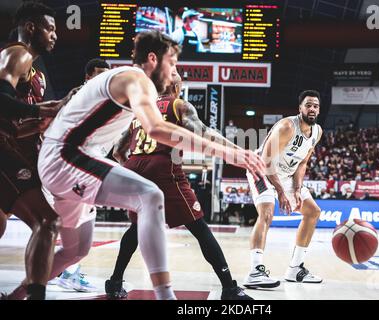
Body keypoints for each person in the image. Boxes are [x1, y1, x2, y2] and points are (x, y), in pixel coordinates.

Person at [9, 30, 264, 301]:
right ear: (153, 59)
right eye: (173, 64)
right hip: (68, 157)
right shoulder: (138, 79)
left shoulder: (134, 92)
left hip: (80, 161)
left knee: (75, 251)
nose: (175, 71)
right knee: (150, 195)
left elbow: (118, 146)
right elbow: (157, 129)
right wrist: (230, 153)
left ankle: (16, 295)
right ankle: (167, 296)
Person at [105, 73, 254, 300]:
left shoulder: (140, 109)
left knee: (137, 228)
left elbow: (117, 150)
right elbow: (204, 133)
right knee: (200, 228)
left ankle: (114, 282)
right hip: (162, 167)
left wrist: (133, 171)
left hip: (135, 165)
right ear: (176, 86)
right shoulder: (178, 105)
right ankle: (229, 288)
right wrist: (237, 152)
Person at [0, 2, 64, 300]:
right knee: (48, 221)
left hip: (9, 142)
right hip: (3, 151)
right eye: (50, 28)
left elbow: (13, 126)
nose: (55, 35)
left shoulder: (34, 71)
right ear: (30, 28)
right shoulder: (17, 53)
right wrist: (42, 109)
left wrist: (45, 120)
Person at [243, 90, 323, 289]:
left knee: (312, 212)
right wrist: (280, 192)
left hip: (286, 174)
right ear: (300, 108)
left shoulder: (317, 132)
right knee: (267, 213)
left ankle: (295, 269)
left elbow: (303, 162)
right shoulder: (288, 126)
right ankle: (255, 271)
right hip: (261, 168)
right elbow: (267, 161)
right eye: (308, 105)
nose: (312, 109)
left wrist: (296, 188)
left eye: (316, 106)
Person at [49, 58, 111, 293]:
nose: (102, 79)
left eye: (105, 75)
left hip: (84, 165)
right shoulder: (80, 98)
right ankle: (69, 273)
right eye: (97, 75)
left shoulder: (107, 100)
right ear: (87, 77)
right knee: (75, 222)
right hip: (70, 166)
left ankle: (58, 270)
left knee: (69, 223)